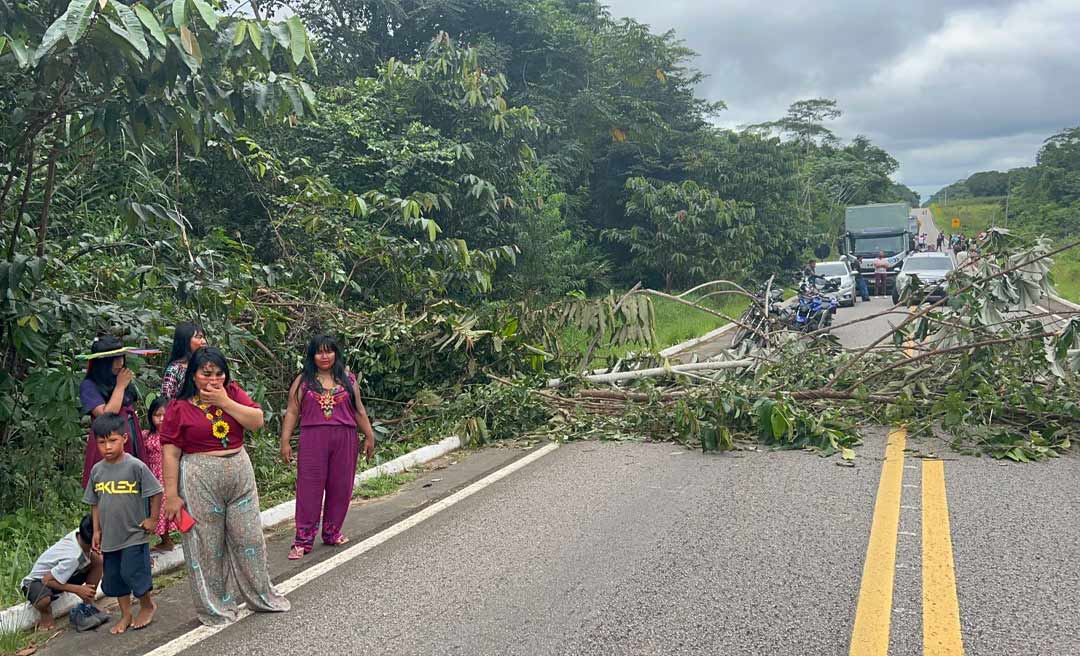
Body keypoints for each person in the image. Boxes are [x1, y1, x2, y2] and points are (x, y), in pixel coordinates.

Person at [160, 347, 290, 626]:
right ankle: (216, 607)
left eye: (219, 373)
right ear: (193, 375)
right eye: (206, 374)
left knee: (250, 538)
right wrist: (171, 495)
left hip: (239, 471)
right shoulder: (178, 408)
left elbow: (256, 421)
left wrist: (224, 402)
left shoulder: (232, 392)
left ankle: (261, 596)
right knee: (207, 546)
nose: (213, 380)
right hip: (199, 477)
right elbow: (170, 452)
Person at [280, 336, 377, 560]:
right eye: (319, 352)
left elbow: (359, 410)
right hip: (313, 439)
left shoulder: (348, 380)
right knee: (309, 489)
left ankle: (332, 532)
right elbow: (292, 411)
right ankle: (302, 540)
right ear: (312, 356)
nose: (324, 356)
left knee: (341, 487)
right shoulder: (303, 381)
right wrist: (285, 441)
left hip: (345, 439)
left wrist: (369, 436)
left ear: (336, 353)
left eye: (329, 351)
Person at [84, 413, 163, 634]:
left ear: (124, 438)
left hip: (134, 533)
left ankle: (147, 605)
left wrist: (153, 519)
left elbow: (156, 492)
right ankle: (125, 614)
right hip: (110, 537)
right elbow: (95, 503)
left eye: (113, 440)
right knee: (115, 578)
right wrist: (96, 530)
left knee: (133, 572)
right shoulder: (97, 471)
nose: (107, 447)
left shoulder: (135, 466)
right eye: (102, 442)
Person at [80, 335, 148, 488]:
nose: (120, 363)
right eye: (114, 359)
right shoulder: (89, 385)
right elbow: (106, 414)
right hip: (107, 441)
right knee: (110, 485)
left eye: (121, 358)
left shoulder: (120, 378)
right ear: (102, 362)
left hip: (129, 435)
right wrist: (120, 386)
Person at [21, 515, 106, 631]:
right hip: (37, 582)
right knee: (44, 600)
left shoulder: (81, 533)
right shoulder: (73, 557)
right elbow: (46, 580)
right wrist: (78, 589)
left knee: (97, 560)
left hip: (58, 575)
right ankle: (46, 616)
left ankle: (89, 604)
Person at [143, 396, 178, 552]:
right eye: (157, 415)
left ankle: (169, 539)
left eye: (165, 415)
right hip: (152, 476)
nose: (161, 419)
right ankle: (165, 540)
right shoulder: (146, 435)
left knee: (165, 508)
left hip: (167, 476)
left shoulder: (174, 435)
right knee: (155, 508)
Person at [161, 322, 208, 399]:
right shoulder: (175, 369)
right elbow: (166, 399)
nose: (204, 341)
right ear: (185, 340)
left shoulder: (207, 365)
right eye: (199, 337)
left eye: (203, 337)